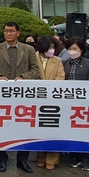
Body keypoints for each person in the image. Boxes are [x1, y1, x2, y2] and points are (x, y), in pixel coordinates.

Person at [0, 22, 41, 172]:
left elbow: (36, 70)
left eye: (11, 31)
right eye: (6, 31)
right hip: (2, 95)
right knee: (0, 126)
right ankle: (2, 158)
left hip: (23, 95)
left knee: (24, 127)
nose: (8, 34)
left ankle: (22, 160)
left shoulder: (28, 49)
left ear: (18, 33)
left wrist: (24, 77)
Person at [64, 37, 89, 171]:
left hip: (85, 102)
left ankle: (86, 158)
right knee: (71, 131)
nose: (72, 51)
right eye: (69, 49)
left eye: (75, 49)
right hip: (69, 102)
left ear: (82, 50)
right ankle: (74, 156)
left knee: (86, 130)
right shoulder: (64, 63)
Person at [34, 36, 64, 170]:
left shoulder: (57, 61)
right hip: (35, 97)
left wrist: (49, 89)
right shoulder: (33, 57)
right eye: (49, 47)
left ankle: (52, 158)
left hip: (53, 98)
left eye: (53, 47)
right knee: (38, 129)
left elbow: (60, 77)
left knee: (52, 128)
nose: (51, 50)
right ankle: (40, 156)